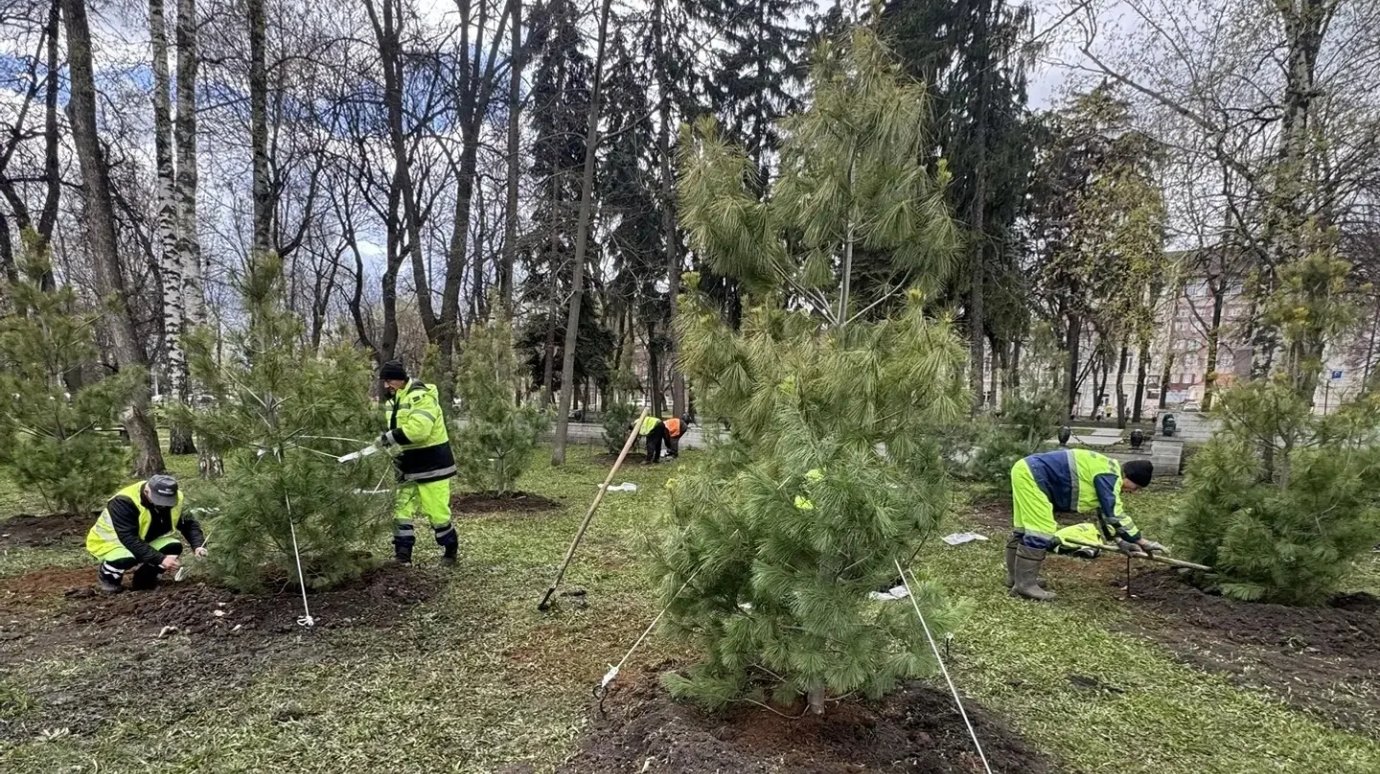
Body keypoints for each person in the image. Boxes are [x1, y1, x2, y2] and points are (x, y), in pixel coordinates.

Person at [1006, 449, 1164, 601]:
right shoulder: (1109, 476)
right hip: (1034, 475)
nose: (1134, 491)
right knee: (1040, 531)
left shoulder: (1107, 469)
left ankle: (1016, 579)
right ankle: (1025, 586)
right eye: (1136, 487)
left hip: (1026, 470)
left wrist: (1121, 541)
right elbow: (1114, 514)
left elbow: (1104, 512)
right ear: (1129, 477)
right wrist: (1142, 541)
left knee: (1023, 529)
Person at [375, 360, 458, 566]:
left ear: (400, 379)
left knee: (437, 513)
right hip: (406, 466)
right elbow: (393, 430)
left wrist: (389, 437)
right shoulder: (392, 402)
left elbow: (419, 431)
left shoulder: (421, 397)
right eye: (384, 382)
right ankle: (402, 555)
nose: (386, 386)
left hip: (432, 465)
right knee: (401, 511)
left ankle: (450, 549)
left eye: (389, 381)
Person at [86, 474, 206, 594]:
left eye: (167, 502)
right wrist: (161, 559)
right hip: (110, 543)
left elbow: (189, 524)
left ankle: (144, 580)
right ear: (147, 491)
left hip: (143, 540)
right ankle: (109, 579)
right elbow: (128, 538)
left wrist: (198, 546)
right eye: (159, 500)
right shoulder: (123, 501)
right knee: (125, 559)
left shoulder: (176, 499)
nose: (164, 505)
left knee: (173, 547)